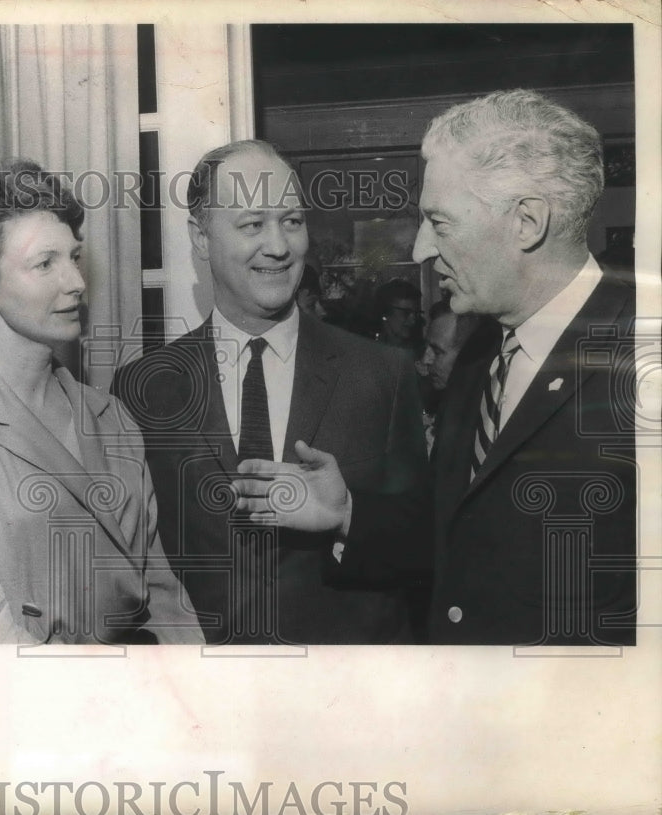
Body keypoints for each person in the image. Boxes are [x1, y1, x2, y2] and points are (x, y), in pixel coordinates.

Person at [235, 90, 637, 646]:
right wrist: (347, 511)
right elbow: (461, 536)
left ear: (526, 222)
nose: (421, 248)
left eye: (439, 223)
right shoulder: (480, 355)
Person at [112, 140, 430, 645]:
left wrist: (348, 514)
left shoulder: (383, 373)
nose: (279, 246)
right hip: (205, 700)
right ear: (200, 237)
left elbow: (427, 544)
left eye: (292, 221)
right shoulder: (144, 387)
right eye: (252, 224)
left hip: (343, 697)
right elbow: (131, 562)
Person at [0, 162, 202, 645]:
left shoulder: (112, 416)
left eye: (74, 258)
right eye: (45, 264)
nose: (76, 282)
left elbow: (162, 593)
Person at [374, 278, 423, 353]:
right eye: (406, 313)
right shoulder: (368, 350)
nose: (413, 321)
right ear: (386, 311)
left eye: (416, 313)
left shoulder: (419, 353)